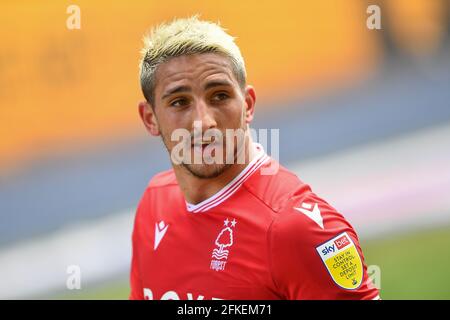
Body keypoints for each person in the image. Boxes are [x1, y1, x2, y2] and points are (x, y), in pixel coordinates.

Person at [130, 16, 380, 300]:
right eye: (179, 102)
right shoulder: (154, 203)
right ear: (150, 119)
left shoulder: (296, 229)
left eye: (219, 96)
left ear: (247, 105)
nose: (203, 122)